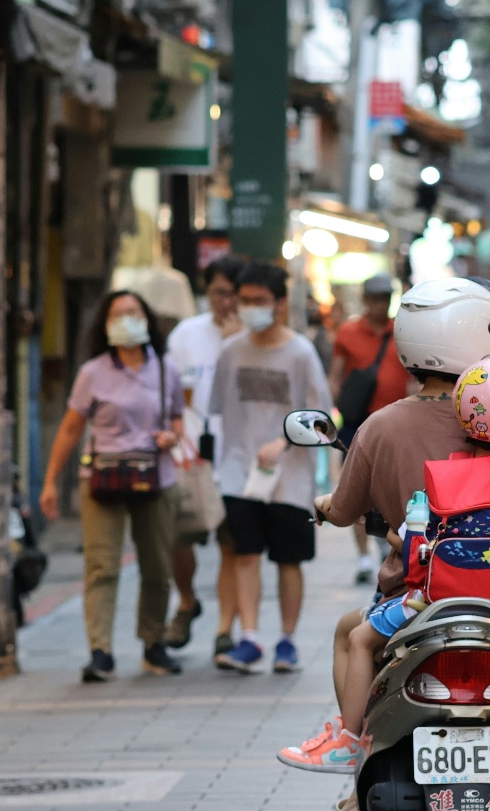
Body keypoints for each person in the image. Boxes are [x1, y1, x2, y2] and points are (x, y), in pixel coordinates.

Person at [279, 346, 490, 804]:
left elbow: (413, 540)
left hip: (429, 601)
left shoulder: (444, 474)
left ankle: (348, 741)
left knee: (359, 639)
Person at [40, 291, 186, 679]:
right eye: (117, 314)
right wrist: (50, 481)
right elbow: (71, 428)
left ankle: (154, 644)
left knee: (157, 565)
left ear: (147, 319)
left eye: (133, 312)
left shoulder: (165, 369)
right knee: (101, 565)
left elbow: (177, 419)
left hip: (155, 476)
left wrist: (171, 437)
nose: (126, 319)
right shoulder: (93, 372)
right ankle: (100, 650)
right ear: (105, 324)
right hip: (103, 477)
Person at [209, 262, 332, 674]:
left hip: (290, 478)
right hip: (239, 472)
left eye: (259, 300)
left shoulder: (300, 353)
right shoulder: (230, 351)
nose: (249, 308)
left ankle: (287, 640)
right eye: (243, 300)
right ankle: (250, 637)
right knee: (245, 553)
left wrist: (284, 440)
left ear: (279, 304)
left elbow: (323, 417)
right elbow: (215, 411)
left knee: (288, 559)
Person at [166, 257, 244, 663]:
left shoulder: (251, 340)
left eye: (234, 293)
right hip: (191, 457)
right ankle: (186, 599)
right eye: (218, 292)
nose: (226, 301)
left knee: (231, 544)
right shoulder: (185, 336)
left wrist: (236, 344)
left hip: (235, 458)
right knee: (180, 538)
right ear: (206, 293)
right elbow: (171, 395)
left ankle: (224, 628)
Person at [330, 273, 409, 585]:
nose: (380, 305)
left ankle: (386, 542)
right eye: (375, 299)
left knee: (392, 487)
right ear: (365, 300)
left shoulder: (401, 331)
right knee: (358, 489)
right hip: (357, 423)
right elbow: (336, 375)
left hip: (394, 423)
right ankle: (364, 555)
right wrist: (333, 409)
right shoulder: (348, 332)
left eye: (385, 298)